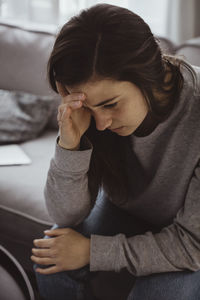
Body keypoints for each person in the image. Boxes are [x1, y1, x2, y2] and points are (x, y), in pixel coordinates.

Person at [31, 3, 200, 300]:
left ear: (151, 75)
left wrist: (92, 252)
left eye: (111, 104)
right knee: (50, 256)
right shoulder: (94, 120)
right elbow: (64, 216)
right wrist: (70, 143)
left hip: (189, 236)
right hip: (130, 210)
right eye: (88, 107)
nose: (101, 122)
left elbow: (192, 244)